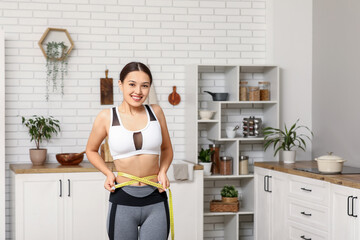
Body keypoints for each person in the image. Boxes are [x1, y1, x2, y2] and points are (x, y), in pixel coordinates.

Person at [86, 62, 174, 240]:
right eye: (132, 84)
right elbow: (91, 150)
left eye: (145, 86)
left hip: (156, 197)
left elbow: (167, 148)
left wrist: (163, 170)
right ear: (121, 85)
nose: (138, 91)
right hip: (123, 198)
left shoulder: (156, 112)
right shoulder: (106, 117)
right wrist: (108, 174)